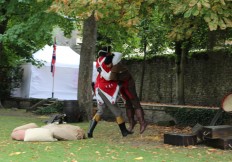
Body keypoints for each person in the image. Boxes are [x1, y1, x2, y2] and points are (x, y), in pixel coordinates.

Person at [87, 46, 133, 138]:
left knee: (100, 110)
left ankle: (90, 131)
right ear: (107, 53)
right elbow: (109, 76)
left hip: (99, 87)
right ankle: (124, 132)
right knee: (117, 111)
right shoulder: (108, 62)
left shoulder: (98, 61)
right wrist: (111, 57)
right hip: (106, 90)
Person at [100, 52, 147, 134]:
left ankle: (143, 123)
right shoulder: (114, 64)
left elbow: (109, 78)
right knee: (127, 104)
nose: (107, 66)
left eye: (108, 64)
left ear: (111, 62)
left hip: (129, 84)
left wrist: (101, 72)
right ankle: (132, 123)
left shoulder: (115, 66)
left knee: (135, 102)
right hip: (122, 85)